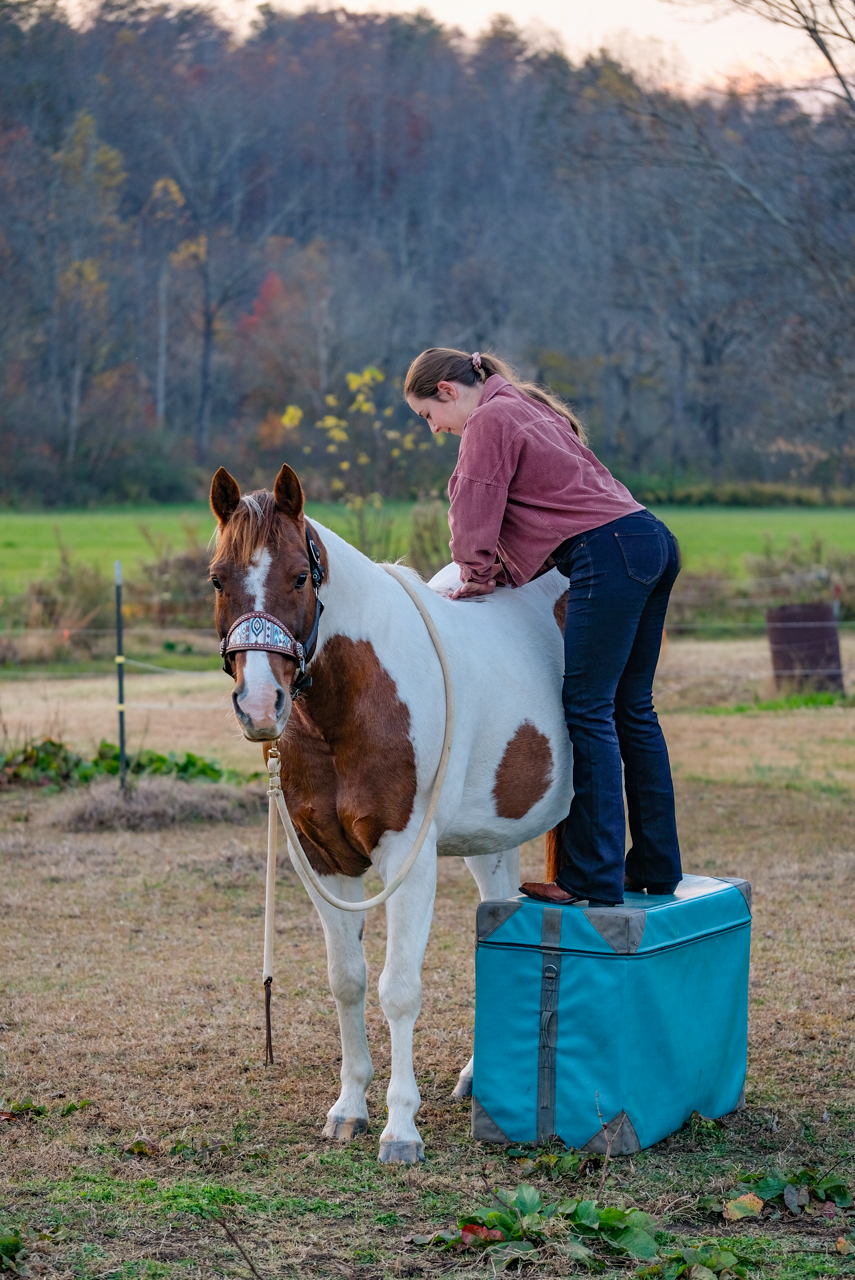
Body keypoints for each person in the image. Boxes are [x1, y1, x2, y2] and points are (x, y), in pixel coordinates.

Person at [405, 347, 682, 908]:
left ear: (448, 392)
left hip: (608, 555)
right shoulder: (525, 405)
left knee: (587, 708)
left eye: (427, 415)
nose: (435, 429)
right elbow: (551, 502)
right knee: (632, 708)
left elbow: (473, 503)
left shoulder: (489, 420)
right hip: (650, 540)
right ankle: (655, 864)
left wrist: (476, 573)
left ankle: (591, 878)